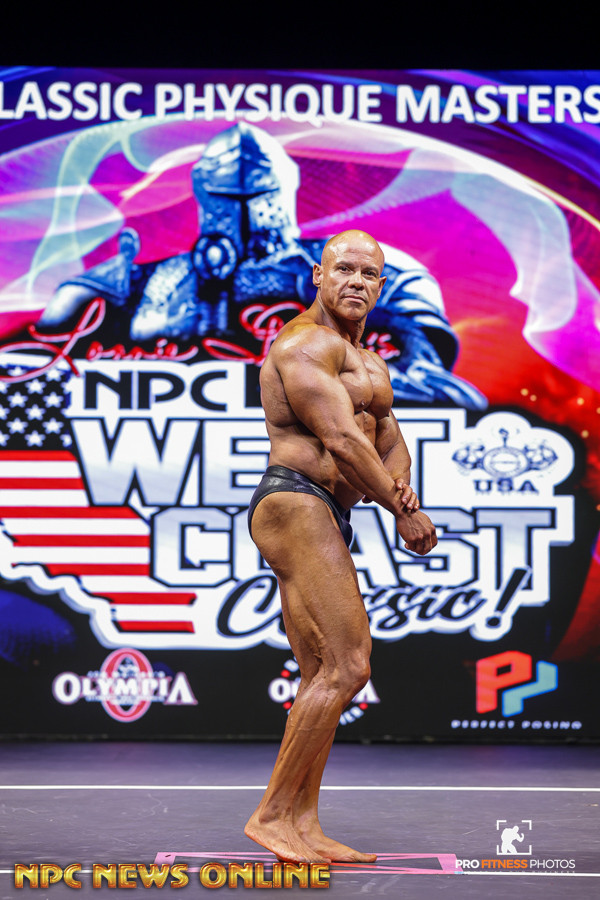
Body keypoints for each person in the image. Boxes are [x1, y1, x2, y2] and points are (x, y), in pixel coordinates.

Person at [245, 229, 438, 864]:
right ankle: (273, 815)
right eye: (344, 269)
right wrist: (403, 514)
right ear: (318, 276)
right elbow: (342, 441)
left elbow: (387, 438)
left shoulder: (369, 363)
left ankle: (302, 821)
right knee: (350, 665)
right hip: (295, 501)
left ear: (381, 285)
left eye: (368, 274)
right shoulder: (303, 344)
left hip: (327, 509)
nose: (356, 281)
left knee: (322, 673)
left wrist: (401, 487)